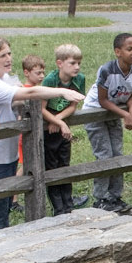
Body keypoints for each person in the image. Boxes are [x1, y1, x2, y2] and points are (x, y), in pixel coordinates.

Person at [0, 38, 86, 230]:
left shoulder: (5, 80)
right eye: (2, 55)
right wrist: (61, 91)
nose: (8, 58)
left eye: (9, 53)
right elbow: (28, 94)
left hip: (7, 152)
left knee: (4, 207)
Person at [88, 33, 132, 214]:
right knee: (104, 155)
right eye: (129, 49)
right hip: (95, 113)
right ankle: (100, 198)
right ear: (118, 52)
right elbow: (103, 100)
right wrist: (125, 115)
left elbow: (130, 92)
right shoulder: (107, 70)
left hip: (114, 113)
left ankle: (115, 196)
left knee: (117, 154)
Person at [40, 44, 89, 216]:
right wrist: (57, 122)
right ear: (59, 63)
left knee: (65, 163)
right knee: (51, 166)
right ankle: (58, 207)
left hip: (62, 126)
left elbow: (74, 105)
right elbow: (41, 108)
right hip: (48, 130)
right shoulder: (50, 81)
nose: (77, 67)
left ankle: (68, 204)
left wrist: (59, 120)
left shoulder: (79, 79)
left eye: (79, 63)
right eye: (72, 63)